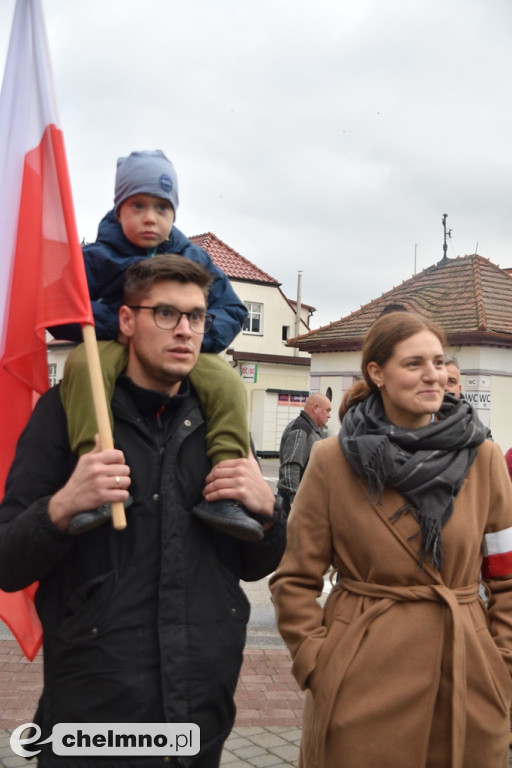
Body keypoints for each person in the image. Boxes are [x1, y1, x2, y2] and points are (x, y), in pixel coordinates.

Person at [0, 255, 286, 768]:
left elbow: (253, 564)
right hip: (94, 713)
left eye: (196, 317)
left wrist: (268, 514)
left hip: (200, 708)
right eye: (166, 314)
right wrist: (63, 506)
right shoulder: (67, 412)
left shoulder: (217, 417)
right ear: (127, 321)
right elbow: (7, 561)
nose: (185, 331)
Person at [269, 311, 512, 768]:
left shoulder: (484, 458)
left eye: (439, 362)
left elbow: (508, 576)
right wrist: (321, 665)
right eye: (415, 363)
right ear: (376, 373)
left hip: (466, 676)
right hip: (358, 680)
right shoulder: (331, 460)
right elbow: (294, 580)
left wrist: (501, 665)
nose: (433, 375)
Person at [52, 149, 262, 542]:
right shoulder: (96, 258)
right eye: (138, 205)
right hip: (118, 342)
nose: (150, 217)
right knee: (82, 364)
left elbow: (231, 308)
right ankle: (94, 468)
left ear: (174, 214)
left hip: (181, 349)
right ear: (119, 210)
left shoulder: (193, 257)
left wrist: (195, 337)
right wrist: (124, 325)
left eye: (162, 208)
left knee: (227, 382)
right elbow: (60, 308)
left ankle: (227, 490)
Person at [276, 393, 331, 515]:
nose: (329, 415)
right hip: (293, 503)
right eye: (327, 410)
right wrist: (294, 500)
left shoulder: (309, 429)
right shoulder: (301, 429)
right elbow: (291, 466)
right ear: (316, 408)